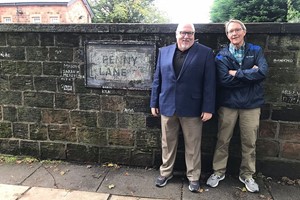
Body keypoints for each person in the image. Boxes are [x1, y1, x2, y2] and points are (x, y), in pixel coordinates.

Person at [150, 22, 216, 192]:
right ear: (176, 33)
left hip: (193, 107)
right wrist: (154, 102)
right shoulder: (164, 52)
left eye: (190, 33)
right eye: (183, 33)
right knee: (167, 143)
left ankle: (193, 177)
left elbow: (209, 83)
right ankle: (165, 173)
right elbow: (158, 79)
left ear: (194, 35)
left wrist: (208, 107)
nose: (186, 36)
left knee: (193, 145)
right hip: (167, 106)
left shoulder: (205, 53)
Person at [206, 19, 268, 193]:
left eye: (237, 30)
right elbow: (224, 80)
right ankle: (218, 171)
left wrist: (237, 73)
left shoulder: (256, 50)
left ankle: (247, 174)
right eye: (230, 31)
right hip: (228, 104)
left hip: (251, 105)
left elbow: (262, 72)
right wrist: (251, 75)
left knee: (250, 142)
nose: (234, 34)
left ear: (244, 31)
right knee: (222, 140)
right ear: (227, 35)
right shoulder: (222, 55)